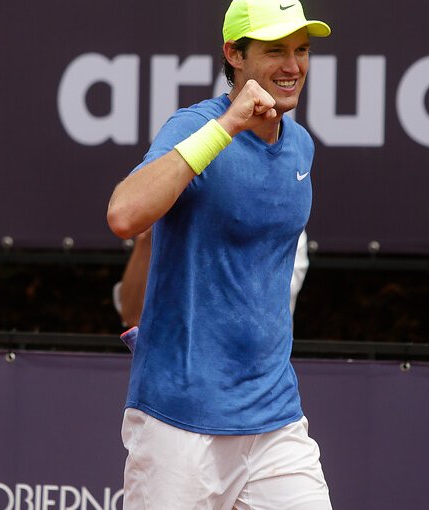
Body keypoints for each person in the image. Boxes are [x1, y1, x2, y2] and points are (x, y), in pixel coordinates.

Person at [105, 0, 332, 507]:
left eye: (301, 51)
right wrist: (228, 126)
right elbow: (124, 214)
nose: (293, 66)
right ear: (234, 54)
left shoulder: (301, 147)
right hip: (179, 422)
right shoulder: (196, 126)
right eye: (275, 51)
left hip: (275, 419)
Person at [113, 229, 310, 329]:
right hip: (169, 393)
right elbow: (133, 315)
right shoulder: (175, 213)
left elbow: (252, 310)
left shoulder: (283, 217)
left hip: (254, 392)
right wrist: (148, 237)